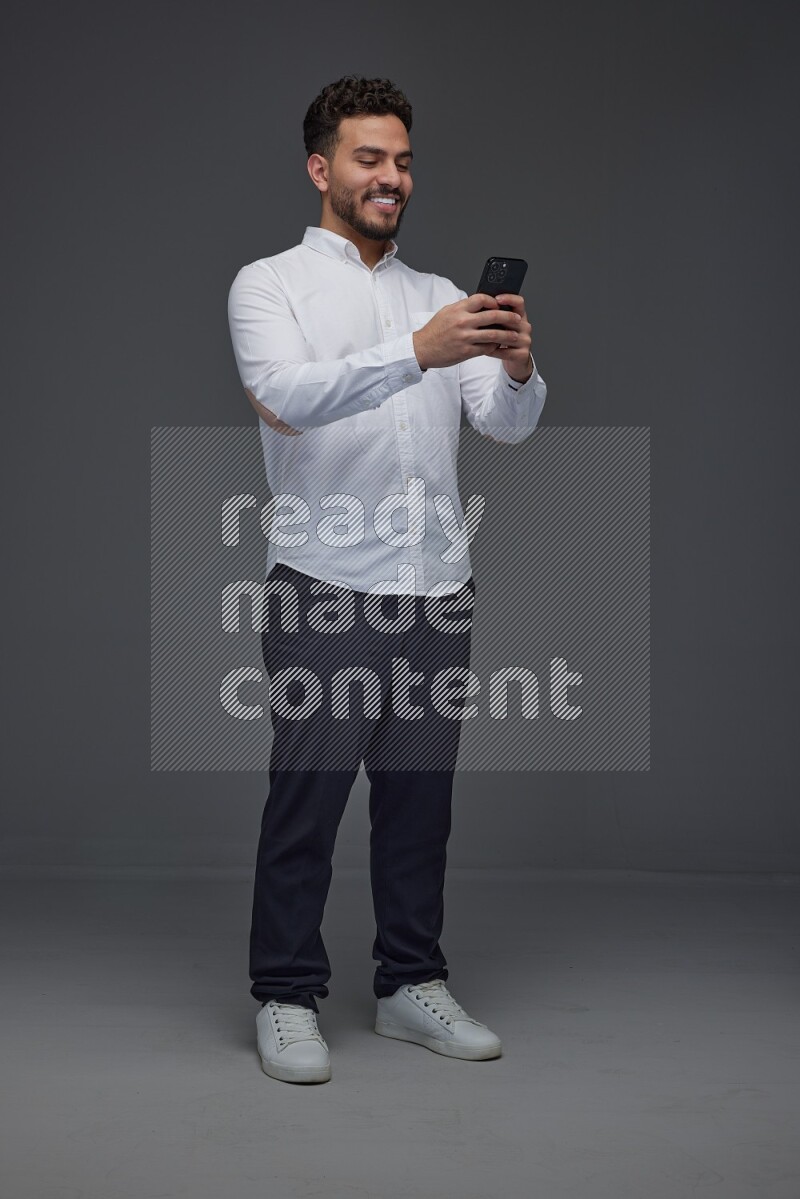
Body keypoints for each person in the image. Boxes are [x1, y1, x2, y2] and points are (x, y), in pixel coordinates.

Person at [227, 75, 547, 1084]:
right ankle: (285, 992)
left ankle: (410, 981)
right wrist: (415, 354)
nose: (391, 177)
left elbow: (501, 426)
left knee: (419, 801)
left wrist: (515, 369)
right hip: (325, 580)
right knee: (307, 798)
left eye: (402, 160)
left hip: (435, 584)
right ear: (321, 168)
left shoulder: (443, 295)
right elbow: (285, 398)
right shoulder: (267, 284)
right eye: (370, 158)